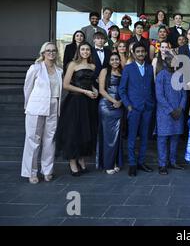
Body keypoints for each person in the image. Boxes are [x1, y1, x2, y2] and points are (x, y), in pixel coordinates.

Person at [55, 42, 98, 176]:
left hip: (88, 103)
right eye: (83, 49)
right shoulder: (73, 64)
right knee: (73, 131)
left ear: (90, 52)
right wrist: (84, 92)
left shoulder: (93, 66)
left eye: (87, 49)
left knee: (85, 131)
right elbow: (66, 85)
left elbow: (91, 84)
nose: (85, 51)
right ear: (79, 51)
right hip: (74, 101)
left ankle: (81, 158)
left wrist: (94, 90)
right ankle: (72, 162)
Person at [22, 42, 62, 184]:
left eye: (54, 50)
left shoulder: (59, 70)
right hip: (36, 107)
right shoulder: (36, 68)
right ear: (43, 53)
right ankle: (31, 172)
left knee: (50, 140)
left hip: (53, 105)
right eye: (48, 50)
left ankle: (47, 170)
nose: (51, 53)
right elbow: (27, 88)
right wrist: (28, 106)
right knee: (33, 139)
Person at [118, 42, 156, 176]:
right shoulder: (128, 68)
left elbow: (152, 87)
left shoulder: (150, 68)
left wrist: (152, 103)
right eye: (138, 51)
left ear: (146, 53)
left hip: (147, 107)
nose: (140, 53)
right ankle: (132, 164)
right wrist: (128, 106)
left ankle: (141, 162)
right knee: (132, 137)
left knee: (145, 137)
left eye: (142, 51)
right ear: (133, 53)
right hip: (133, 108)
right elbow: (122, 90)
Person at [155, 51, 187, 175]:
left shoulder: (180, 75)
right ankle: (162, 164)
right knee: (162, 138)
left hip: (178, 112)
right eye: (169, 60)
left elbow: (184, 94)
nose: (172, 62)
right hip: (164, 113)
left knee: (175, 137)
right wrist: (170, 110)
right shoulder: (161, 75)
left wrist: (180, 108)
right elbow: (159, 96)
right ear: (165, 62)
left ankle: (173, 162)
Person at [97, 53, 123, 174]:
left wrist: (121, 102)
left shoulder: (123, 72)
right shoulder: (104, 71)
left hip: (119, 105)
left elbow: (126, 89)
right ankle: (108, 164)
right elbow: (101, 90)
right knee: (108, 136)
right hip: (107, 105)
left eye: (116, 59)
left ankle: (115, 161)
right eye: (112, 59)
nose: (114, 61)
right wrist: (114, 101)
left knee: (117, 136)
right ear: (109, 61)